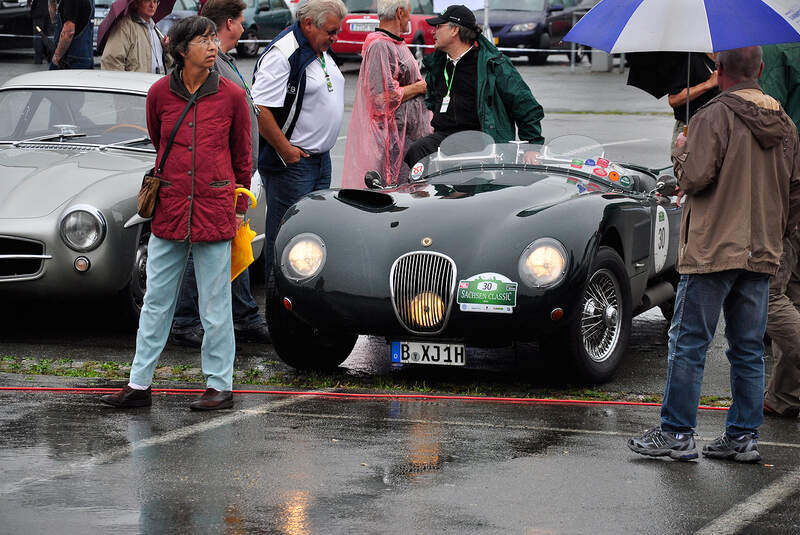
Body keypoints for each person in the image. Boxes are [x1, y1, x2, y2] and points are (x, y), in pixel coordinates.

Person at [628, 46, 800, 462]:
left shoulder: (711, 116)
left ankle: (677, 432)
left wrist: (681, 149)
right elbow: (795, 191)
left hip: (713, 249)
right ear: (759, 70)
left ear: (719, 71)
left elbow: (693, 178)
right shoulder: (785, 123)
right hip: (762, 250)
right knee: (745, 348)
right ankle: (743, 437)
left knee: (688, 342)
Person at [100, 16, 252, 411]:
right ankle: (139, 383)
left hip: (214, 208)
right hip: (169, 208)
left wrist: (239, 207)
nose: (212, 45)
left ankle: (220, 385)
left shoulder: (233, 96)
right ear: (181, 50)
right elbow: (158, 140)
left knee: (215, 305)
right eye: (202, 40)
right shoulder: (159, 95)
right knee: (155, 301)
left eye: (213, 38)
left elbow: (242, 158)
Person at [168, 0, 269, 348]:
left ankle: (243, 315)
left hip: (232, 177)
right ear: (230, 22)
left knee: (235, 245)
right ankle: (184, 321)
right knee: (205, 250)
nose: (245, 27)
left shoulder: (226, 64)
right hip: (215, 180)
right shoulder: (213, 72)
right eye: (241, 21)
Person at [251, 0, 347, 284]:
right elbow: (260, 109)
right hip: (293, 165)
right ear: (308, 24)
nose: (335, 37)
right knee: (287, 238)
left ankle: (304, 304)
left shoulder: (318, 47)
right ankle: (279, 307)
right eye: (331, 31)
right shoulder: (284, 53)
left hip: (319, 160)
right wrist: (286, 150)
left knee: (312, 236)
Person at [402, 4, 544, 169]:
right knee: (417, 151)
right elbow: (432, 101)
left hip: (483, 139)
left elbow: (525, 105)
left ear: (455, 30)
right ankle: (424, 192)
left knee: (464, 174)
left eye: (439, 26)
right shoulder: (439, 64)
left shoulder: (493, 65)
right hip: (446, 137)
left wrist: (532, 146)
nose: (433, 31)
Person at [341, 0, 430, 188]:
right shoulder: (380, 46)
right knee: (392, 192)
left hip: (405, 138)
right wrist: (419, 87)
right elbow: (381, 98)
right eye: (409, 13)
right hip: (391, 143)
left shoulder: (396, 43)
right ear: (399, 13)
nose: (410, 18)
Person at [759, 43, 800, 418]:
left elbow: (768, 121)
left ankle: (785, 396)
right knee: (795, 291)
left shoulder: (782, 49)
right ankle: (786, 396)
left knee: (769, 294)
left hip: (790, 187)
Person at [100, 0, 171, 73]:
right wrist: (124, 83)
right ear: (137, 3)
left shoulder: (154, 28)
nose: (152, 5)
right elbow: (111, 62)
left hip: (155, 82)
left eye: (155, 1)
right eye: (147, 1)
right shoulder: (125, 26)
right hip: (136, 83)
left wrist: (166, 49)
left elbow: (165, 64)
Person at [667, 52, 720, 147]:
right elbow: (674, 99)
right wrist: (708, 84)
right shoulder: (689, 58)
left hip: (718, 130)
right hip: (690, 129)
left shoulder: (727, 59)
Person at [48, 0, 94, 69]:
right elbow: (54, 21)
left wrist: (56, 58)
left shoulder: (71, 2)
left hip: (72, 59)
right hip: (83, 56)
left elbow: (69, 32)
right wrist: (51, 3)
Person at [29, 0, 52, 65]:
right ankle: (50, 57)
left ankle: (38, 58)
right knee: (49, 35)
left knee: (38, 36)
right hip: (50, 12)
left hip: (39, 12)